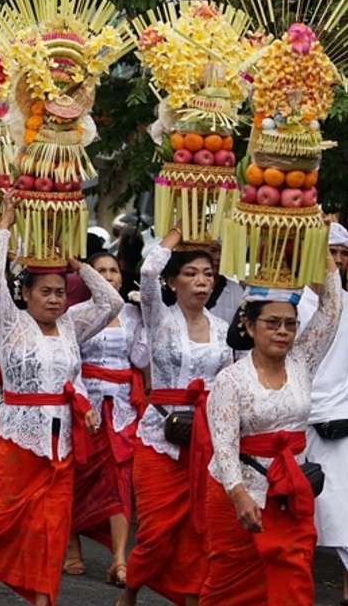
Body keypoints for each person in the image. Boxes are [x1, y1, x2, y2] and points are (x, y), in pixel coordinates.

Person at [0, 205, 123, 606]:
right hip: (17, 438)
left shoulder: (73, 324)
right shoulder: (9, 321)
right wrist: (4, 228)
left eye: (60, 292)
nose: (55, 300)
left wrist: (78, 265)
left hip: (62, 442)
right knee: (2, 520)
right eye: (46, 292)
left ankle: (43, 597)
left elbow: (111, 301)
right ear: (26, 294)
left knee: (53, 525)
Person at [201, 261, 342, 604]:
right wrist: (239, 496)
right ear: (249, 326)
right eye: (272, 323)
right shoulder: (230, 380)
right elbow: (224, 446)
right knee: (228, 589)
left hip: (289, 495)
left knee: (291, 583)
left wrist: (321, 252)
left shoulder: (302, 362)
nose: (282, 332)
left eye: (290, 325)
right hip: (235, 498)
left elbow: (332, 309)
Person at [120, 229, 231, 606]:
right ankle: (131, 589)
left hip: (206, 439)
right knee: (154, 532)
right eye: (191, 274)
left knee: (197, 530)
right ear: (172, 281)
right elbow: (147, 273)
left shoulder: (223, 329)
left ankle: (188, 596)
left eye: (208, 274)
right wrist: (175, 235)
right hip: (159, 437)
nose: (201, 281)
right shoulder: (159, 318)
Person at [297, 222, 348, 603]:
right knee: (295, 497)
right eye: (330, 252)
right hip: (296, 410)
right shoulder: (291, 300)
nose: (337, 260)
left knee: (345, 498)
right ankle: (292, 573)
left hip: (341, 413)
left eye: (342, 253)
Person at [64, 250, 143, 583]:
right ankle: (72, 547)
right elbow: (71, 363)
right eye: (101, 270)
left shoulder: (135, 315)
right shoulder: (75, 314)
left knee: (119, 481)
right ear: (88, 276)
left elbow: (140, 358)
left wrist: (150, 313)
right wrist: (82, 403)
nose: (109, 276)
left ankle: (120, 558)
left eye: (113, 270)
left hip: (123, 408)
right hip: (87, 406)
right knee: (76, 478)